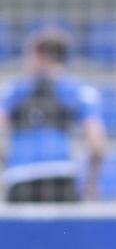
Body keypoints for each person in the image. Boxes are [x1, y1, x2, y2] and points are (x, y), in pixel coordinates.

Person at [0, 29, 107, 203]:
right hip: (62, 177)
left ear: (39, 56)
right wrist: (91, 183)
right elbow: (97, 145)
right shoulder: (81, 91)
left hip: (21, 178)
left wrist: (7, 160)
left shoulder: (13, 91)